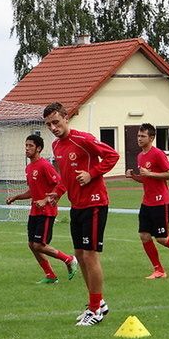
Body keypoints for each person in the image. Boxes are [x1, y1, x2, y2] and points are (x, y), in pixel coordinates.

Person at [43, 102, 120, 326]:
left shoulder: (83, 139)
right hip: (76, 205)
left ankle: (95, 308)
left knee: (89, 255)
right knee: (79, 253)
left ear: (66, 118)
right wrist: (58, 193)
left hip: (95, 203)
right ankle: (97, 302)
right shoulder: (57, 146)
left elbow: (112, 156)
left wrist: (91, 173)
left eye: (56, 122)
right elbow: (66, 176)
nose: (53, 128)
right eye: (49, 125)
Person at [125, 123, 169, 279]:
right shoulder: (140, 155)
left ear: (151, 138)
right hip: (146, 202)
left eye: (143, 136)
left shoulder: (158, 154)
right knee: (144, 235)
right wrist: (134, 177)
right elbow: (146, 179)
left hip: (160, 202)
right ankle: (159, 270)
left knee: (162, 239)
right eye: (138, 135)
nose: (139, 139)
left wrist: (150, 173)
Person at [6, 134, 78, 284]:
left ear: (38, 148)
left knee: (39, 245)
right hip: (34, 211)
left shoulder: (44, 165)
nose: (27, 148)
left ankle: (69, 259)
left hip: (47, 212)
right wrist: (16, 197)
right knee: (32, 245)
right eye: (26, 145)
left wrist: (46, 200)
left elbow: (61, 183)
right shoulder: (29, 167)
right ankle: (50, 275)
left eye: (30, 146)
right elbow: (32, 191)